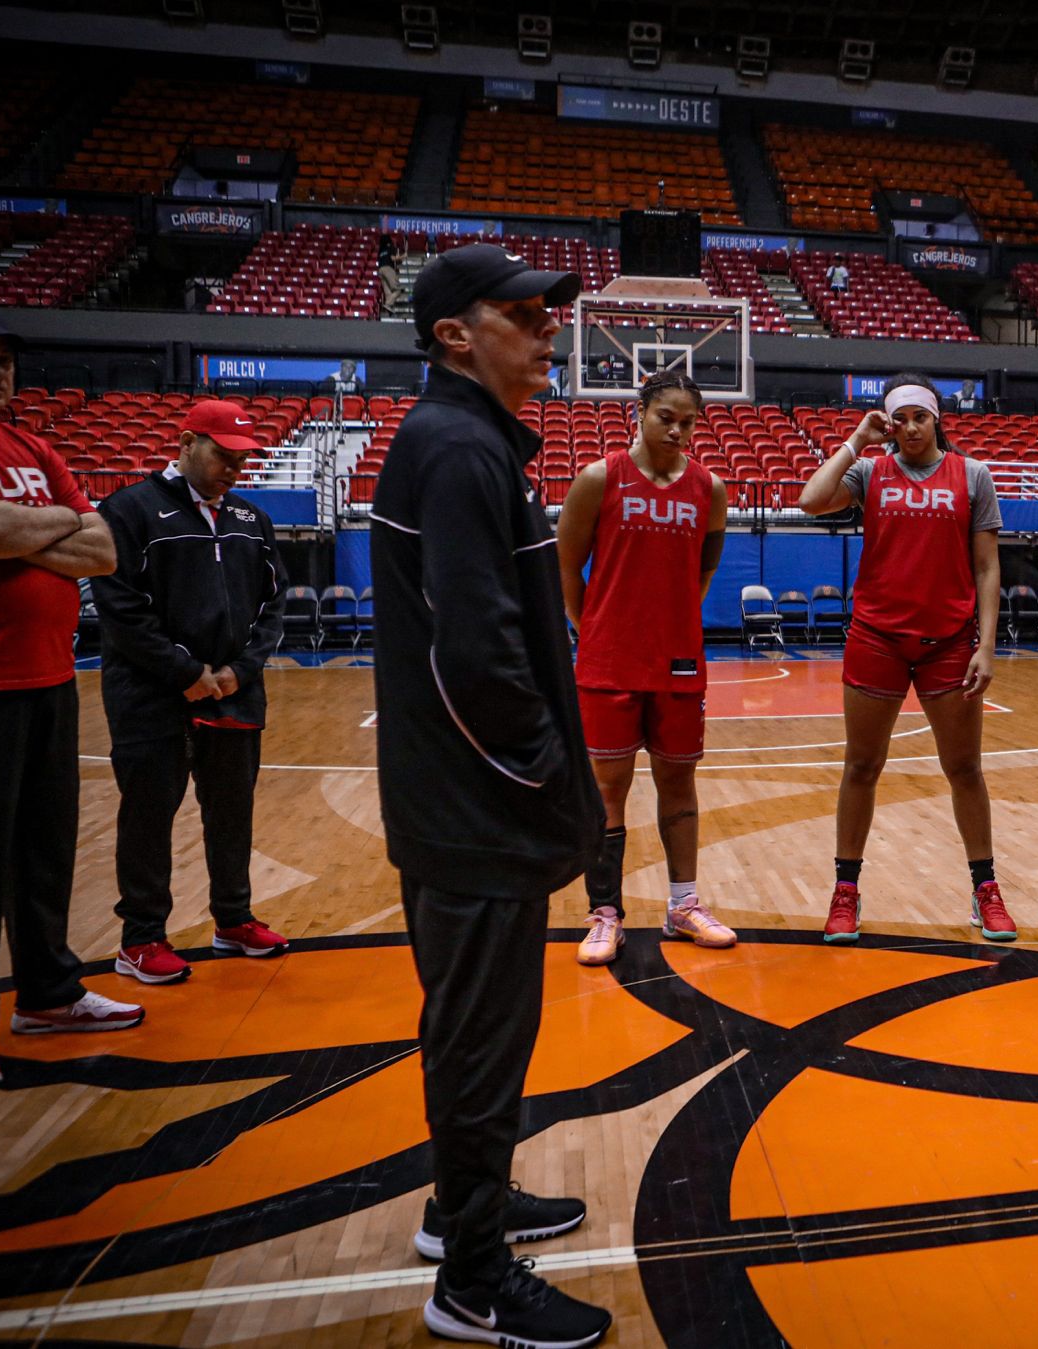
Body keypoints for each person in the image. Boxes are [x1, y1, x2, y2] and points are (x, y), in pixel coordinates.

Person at [371, 244, 611, 1346]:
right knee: (478, 1042)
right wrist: (548, 778)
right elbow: (477, 659)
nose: (548, 327)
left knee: (474, 1035)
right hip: (475, 813)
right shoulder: (457, 449)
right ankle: (470, 1279)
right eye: (524, 312)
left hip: (465, 808)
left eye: (549, 312)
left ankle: (457, 1204)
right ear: (454, 335)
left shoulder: (463, 443)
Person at [0, 299, 144, 1091]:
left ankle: (47, 993)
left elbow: (104, 550)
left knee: (43, 852)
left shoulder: (29, 444)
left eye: (5, 356)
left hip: (50, 677)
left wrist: (14, 525)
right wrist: (41, 524)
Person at [797, 371, 1015, 943]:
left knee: (964, 769)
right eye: (900, 418)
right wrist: (856, 440)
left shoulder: (972, 475)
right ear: (888, 423)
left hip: (948, 641)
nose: (911, 427)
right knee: (862, 767)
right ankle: (846, 892)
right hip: (877, 638)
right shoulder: (870, 471)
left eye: (920, 416)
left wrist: (986, 645)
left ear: (937, 418)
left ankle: (985, 889)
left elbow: (988, 567)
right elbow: (810, 500)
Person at [92, 399, 291, 986]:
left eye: (241, 459)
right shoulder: (128, 510)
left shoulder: (252, 519)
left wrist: (240, 669)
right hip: (151, 695)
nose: (234, 469)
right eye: (223, 456)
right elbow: (120, 609)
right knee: (149, 816)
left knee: (232, 813)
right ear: (185, 443)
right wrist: (185, 672)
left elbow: (273, 603)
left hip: (233, 692)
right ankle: (140, 938)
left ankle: (233, 921)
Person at [556, 370, 734, 965]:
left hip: (679, 661)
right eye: (667, 418)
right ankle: (604, 913)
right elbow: (564, 568)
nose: (679, 430)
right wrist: (594, 628)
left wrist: (672, 618)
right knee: (607, 791)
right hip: (608, 661)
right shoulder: (599, 478)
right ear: (640, 413)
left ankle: (683, 904)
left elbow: (703, 571)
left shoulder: (709, 489)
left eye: (688, 421)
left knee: (679, 785)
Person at [378, 234, 405, 312]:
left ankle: (388, 307)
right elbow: (393, 259)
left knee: (388, 292)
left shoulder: (381, 250)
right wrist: (403, 256)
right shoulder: (391, 248)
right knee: (398, 290)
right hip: (388, 269)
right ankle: (388, 305)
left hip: (380, 270)